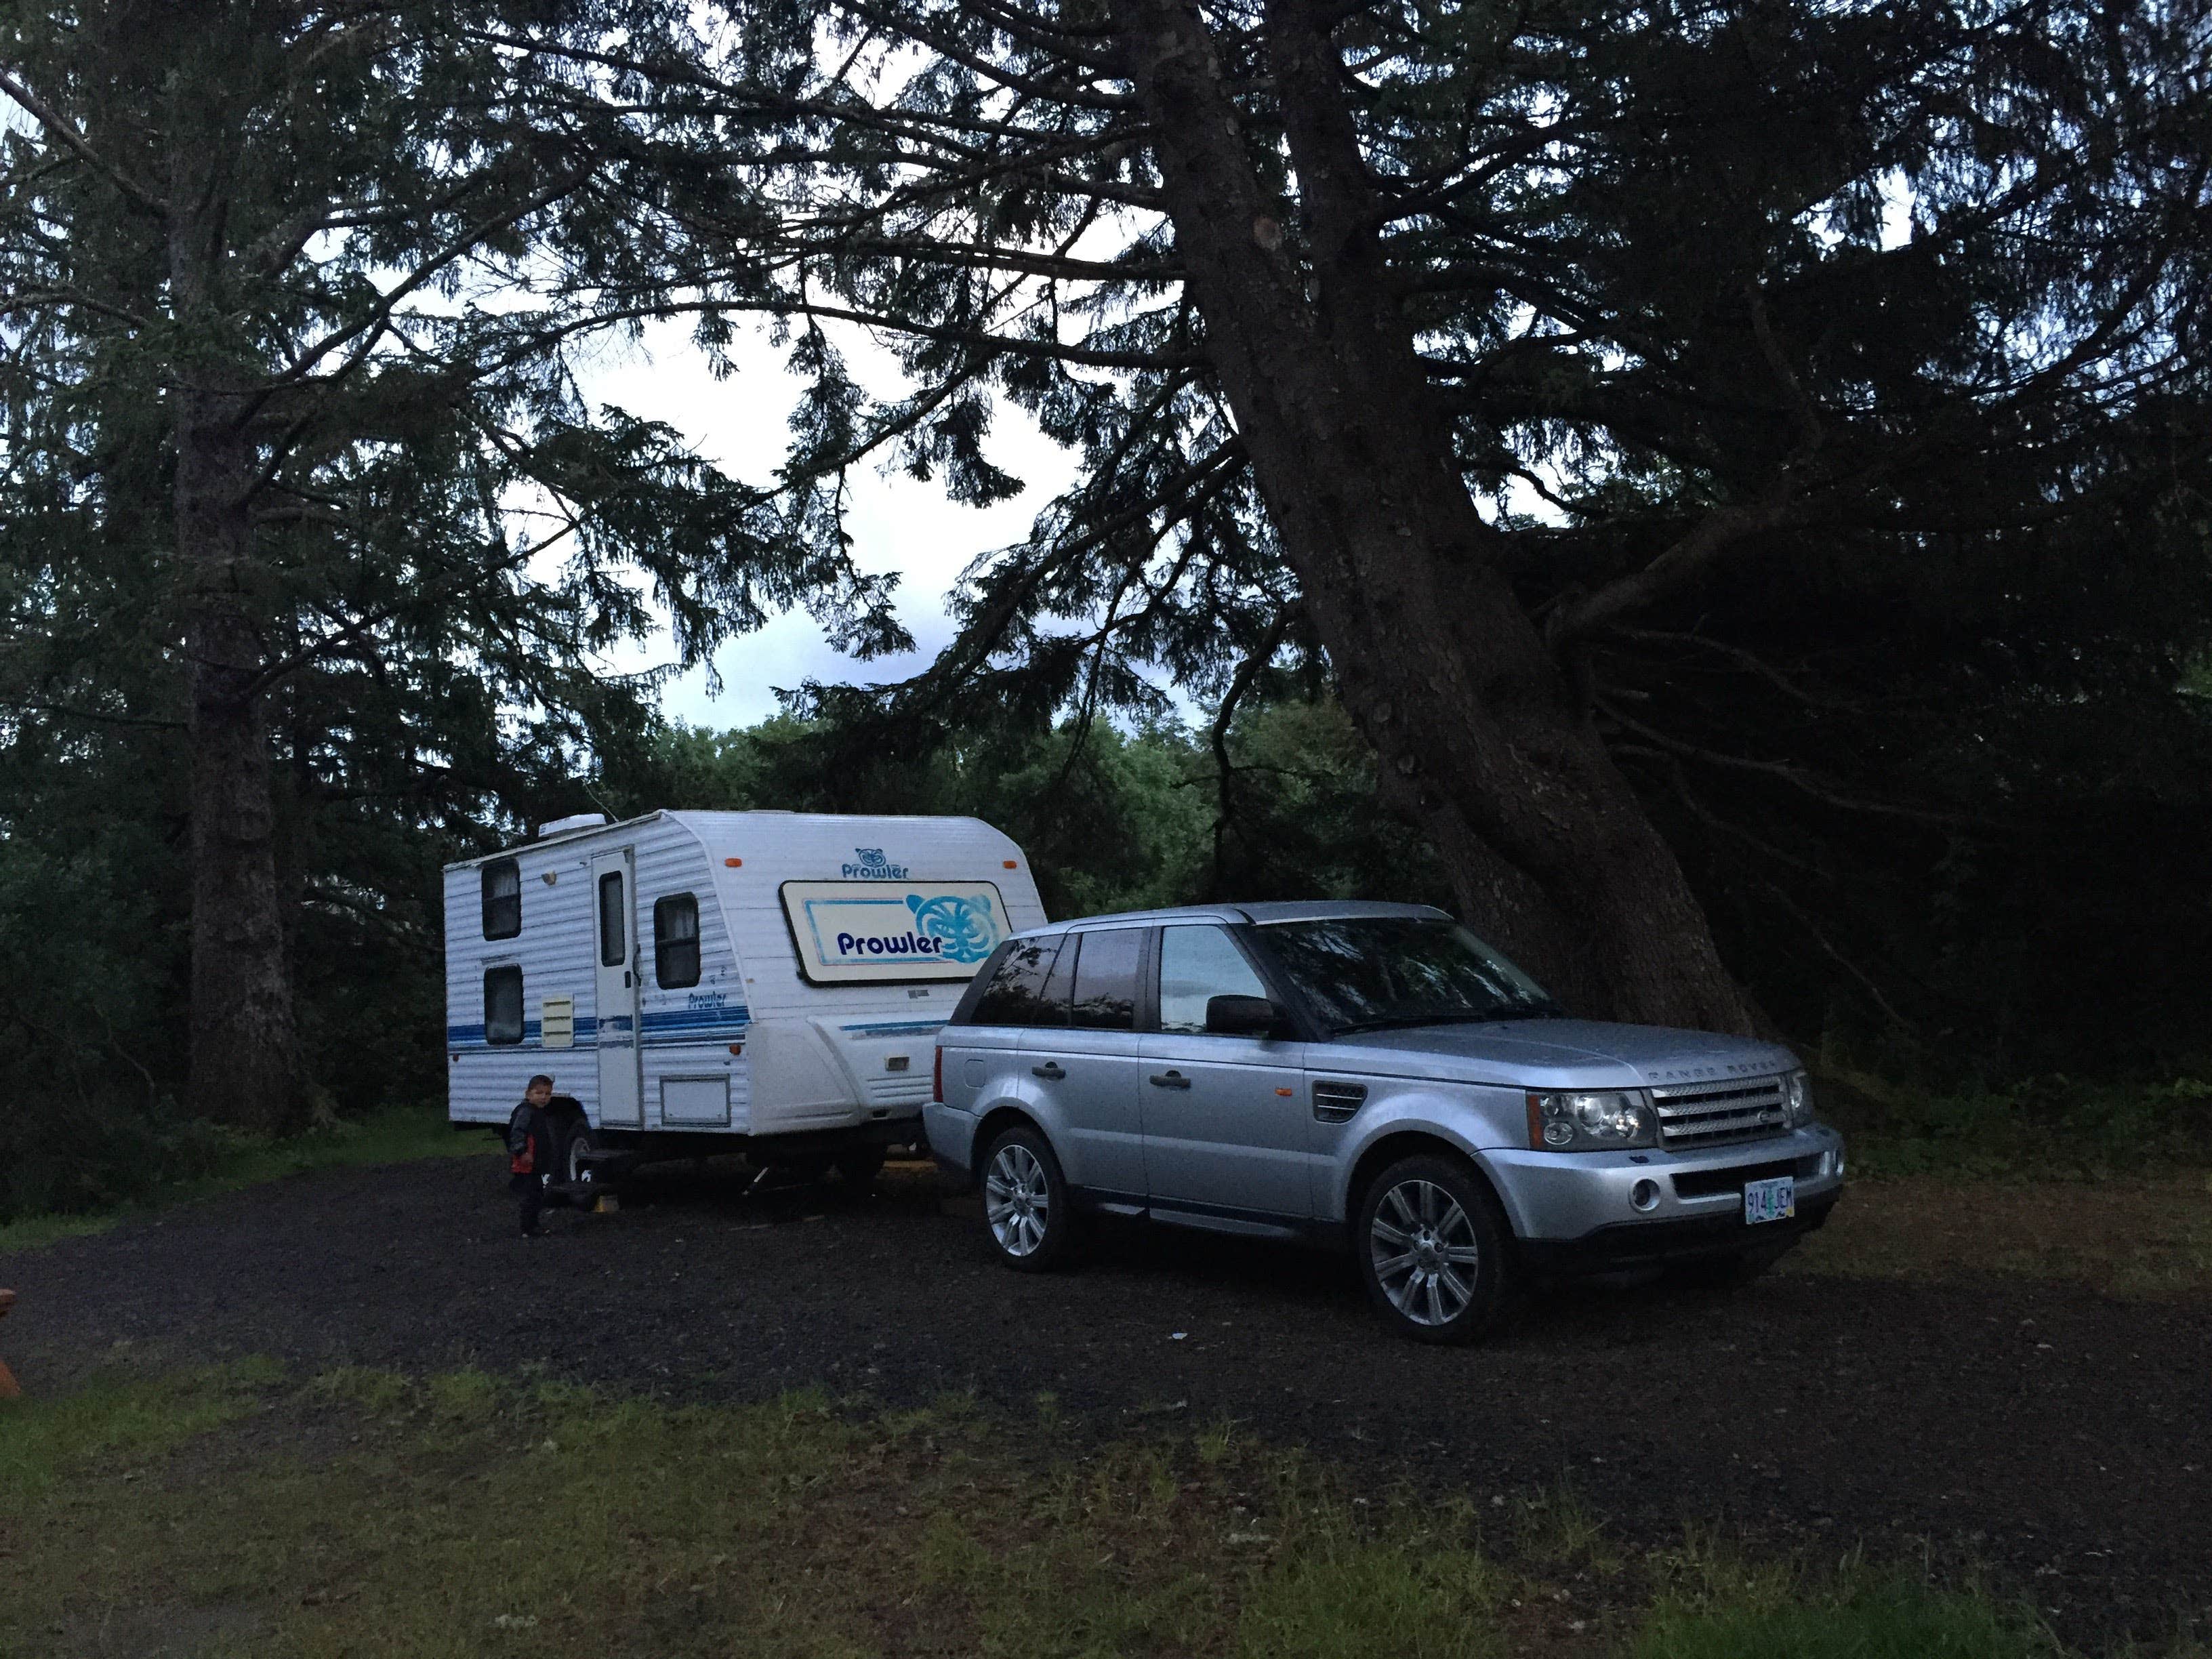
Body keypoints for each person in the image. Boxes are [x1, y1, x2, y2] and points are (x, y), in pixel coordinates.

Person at [506, 1074, 573, 1237]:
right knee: (531, 1196)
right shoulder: (526, 1112)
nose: (544, 1097)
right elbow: (517, 1132)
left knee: (537, 1194)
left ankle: (533, 1225)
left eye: (548, 1094)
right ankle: (528, 1228)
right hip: (526, 1163)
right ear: (528, 1094)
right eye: (539, 1093)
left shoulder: (537, 1112)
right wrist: (522, 1152)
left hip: (535, 1162)